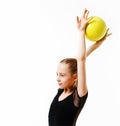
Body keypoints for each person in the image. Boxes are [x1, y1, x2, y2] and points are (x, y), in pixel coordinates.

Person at [48, 9, 111, 126]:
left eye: (62, 75)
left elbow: (81, 60)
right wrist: (98, 44)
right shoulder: (61, 92)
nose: (58, 78)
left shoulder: (78, 95)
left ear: (75, 76)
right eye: (57, 74)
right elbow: (78, 59)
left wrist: (81, 32)